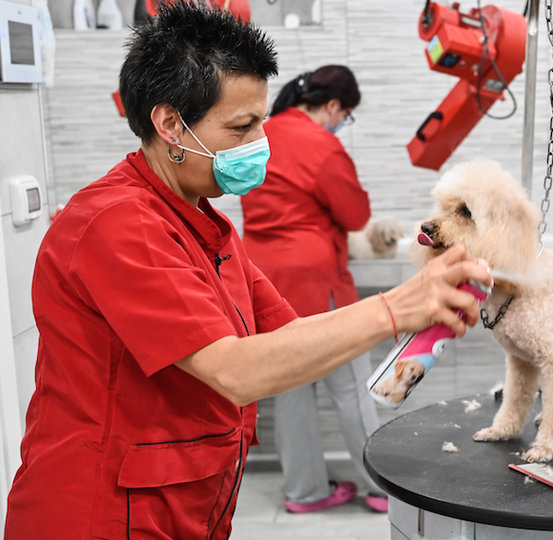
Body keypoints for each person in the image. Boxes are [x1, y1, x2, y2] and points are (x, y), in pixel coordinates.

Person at [2, 4, 491, 539]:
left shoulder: (205, 226)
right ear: (171, 125)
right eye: (242, 127)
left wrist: (416, 309)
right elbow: (235, 372)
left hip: (183, 505)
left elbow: (290, 337)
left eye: (260, 122)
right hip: (100, 514)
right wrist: (395, 307)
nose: (261, 143)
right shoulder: (116, 224)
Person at [240, 65, 388, 514]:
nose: (342, 123)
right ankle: (383, 489)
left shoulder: (259, 134)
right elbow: (355, 214)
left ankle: (304, 492)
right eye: (346, 115)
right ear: (333, 106)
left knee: (291, 390)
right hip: (316, 279)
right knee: (351, 387)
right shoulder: (322, 145)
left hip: (265, 279)